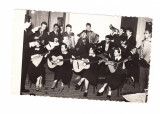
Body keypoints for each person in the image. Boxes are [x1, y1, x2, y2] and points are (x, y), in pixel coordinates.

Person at [27, 21, 48, 91]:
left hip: (41, 52)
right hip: (33, 53)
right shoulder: (35, 33)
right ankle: (38, 79)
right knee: (34, 66)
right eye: (42, 26)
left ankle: (38, 81)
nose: (43, 28)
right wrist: (34, 39)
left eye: (45, 27)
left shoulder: (46, 34)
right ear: (40, 26)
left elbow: (46, 45)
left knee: (40, 65)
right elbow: (29, 40)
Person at [21, 22, 40, 93]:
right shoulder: (21, 31)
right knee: (21, 73)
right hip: (22, 56)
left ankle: (22, 88)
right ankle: (19, 89)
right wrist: (31, 44)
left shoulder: (25, 31)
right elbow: (22, 45)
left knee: (24, 73)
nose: (29, 23)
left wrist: (32, 43)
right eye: (28, 22)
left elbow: (26, 40)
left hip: (25, 56)